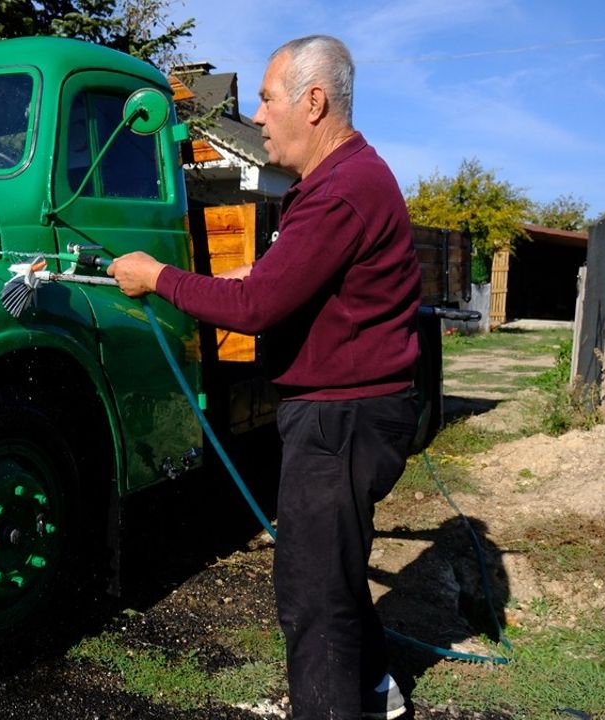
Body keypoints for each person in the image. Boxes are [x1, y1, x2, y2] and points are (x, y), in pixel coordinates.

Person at [106, 35, 420, 720]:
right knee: (334, 571)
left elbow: (255, 309)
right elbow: (291, 285)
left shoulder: (340, 190)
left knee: (311, 590)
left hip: (342, 416)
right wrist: (263, 277)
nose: (256, 112)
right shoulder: (343, 182)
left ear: (313, 102)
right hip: (355, 409)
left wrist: (157, 276)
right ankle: (376, 692)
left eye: (268, 98)